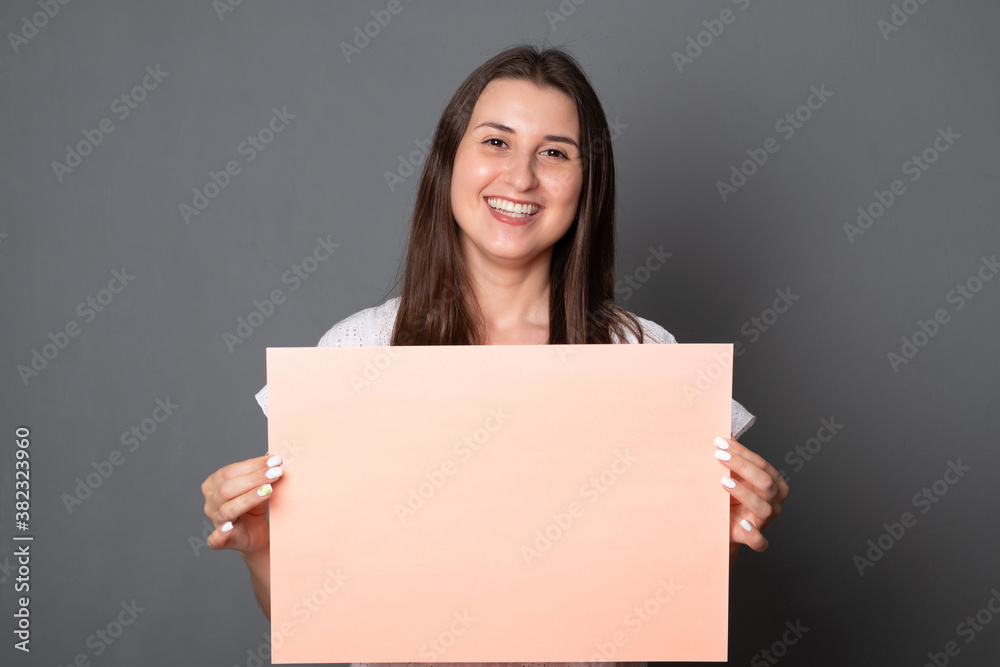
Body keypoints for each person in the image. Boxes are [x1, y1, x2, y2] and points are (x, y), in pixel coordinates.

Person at [201, 43, 789, 656]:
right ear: (447, 161)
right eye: (496, 142)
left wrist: (720, 537)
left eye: (555, 153)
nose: (521, 177)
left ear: (588, 182)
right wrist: (265, 549)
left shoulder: (644, 354)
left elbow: (666, 612)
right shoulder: (357, 349)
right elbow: (314, 617)